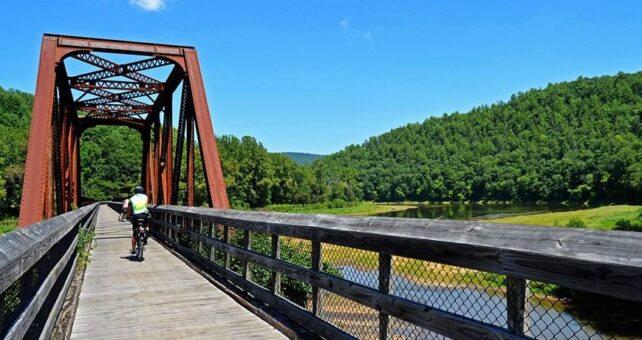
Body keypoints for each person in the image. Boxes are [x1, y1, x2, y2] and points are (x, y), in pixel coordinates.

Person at [129, 186, 149, 254]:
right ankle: (146, 233)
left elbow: (129, 208)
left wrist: (128, 215)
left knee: (134, 232)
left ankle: (133, 249)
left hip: (136, 216)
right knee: (146, 225)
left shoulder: (132, 198)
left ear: (135, 191)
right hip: (144, 215)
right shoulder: (145, 197)